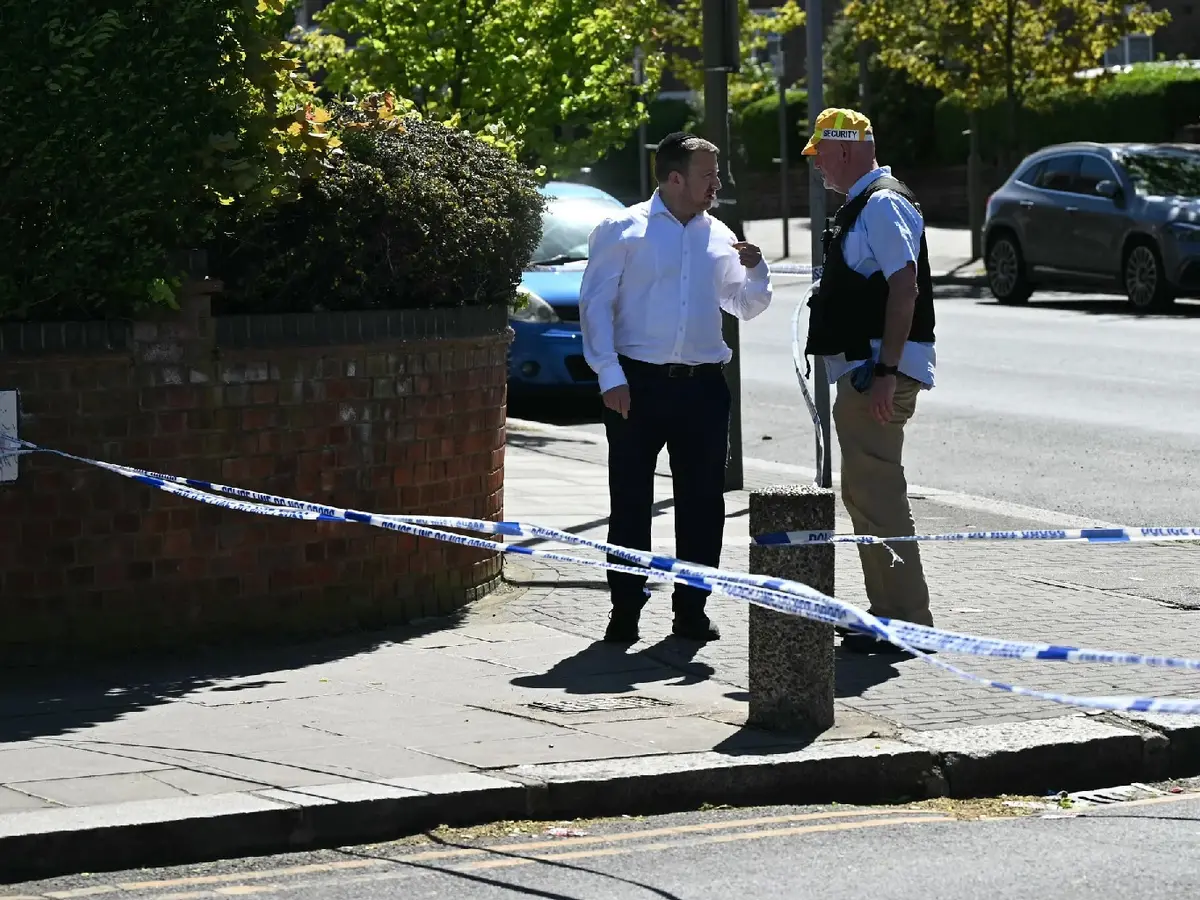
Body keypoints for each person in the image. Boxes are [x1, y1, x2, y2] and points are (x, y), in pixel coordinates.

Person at [578, 132, 774, 644]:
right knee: (631, 502)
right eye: (708, 174)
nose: (718, 183)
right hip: (637, 383)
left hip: (704, 388)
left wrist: (757, 273)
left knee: (704, 504)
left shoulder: (720, 236)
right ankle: (625, 609)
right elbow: (595, 305)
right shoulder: (622, 229)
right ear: (673, 178)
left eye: (718, 173)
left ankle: (692, 609)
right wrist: (609, 376)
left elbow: (744, 306)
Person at [801, 108, 937, 654]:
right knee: (865, 494)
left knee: (877, 495)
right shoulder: (868, 203)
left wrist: (885, 373)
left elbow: (905, 290)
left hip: (876, 374)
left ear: (845, 150)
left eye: (820, 157)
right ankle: (888, 613)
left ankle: (906, 621)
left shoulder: (881, 204)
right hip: (865, 372)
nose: (817, 169)